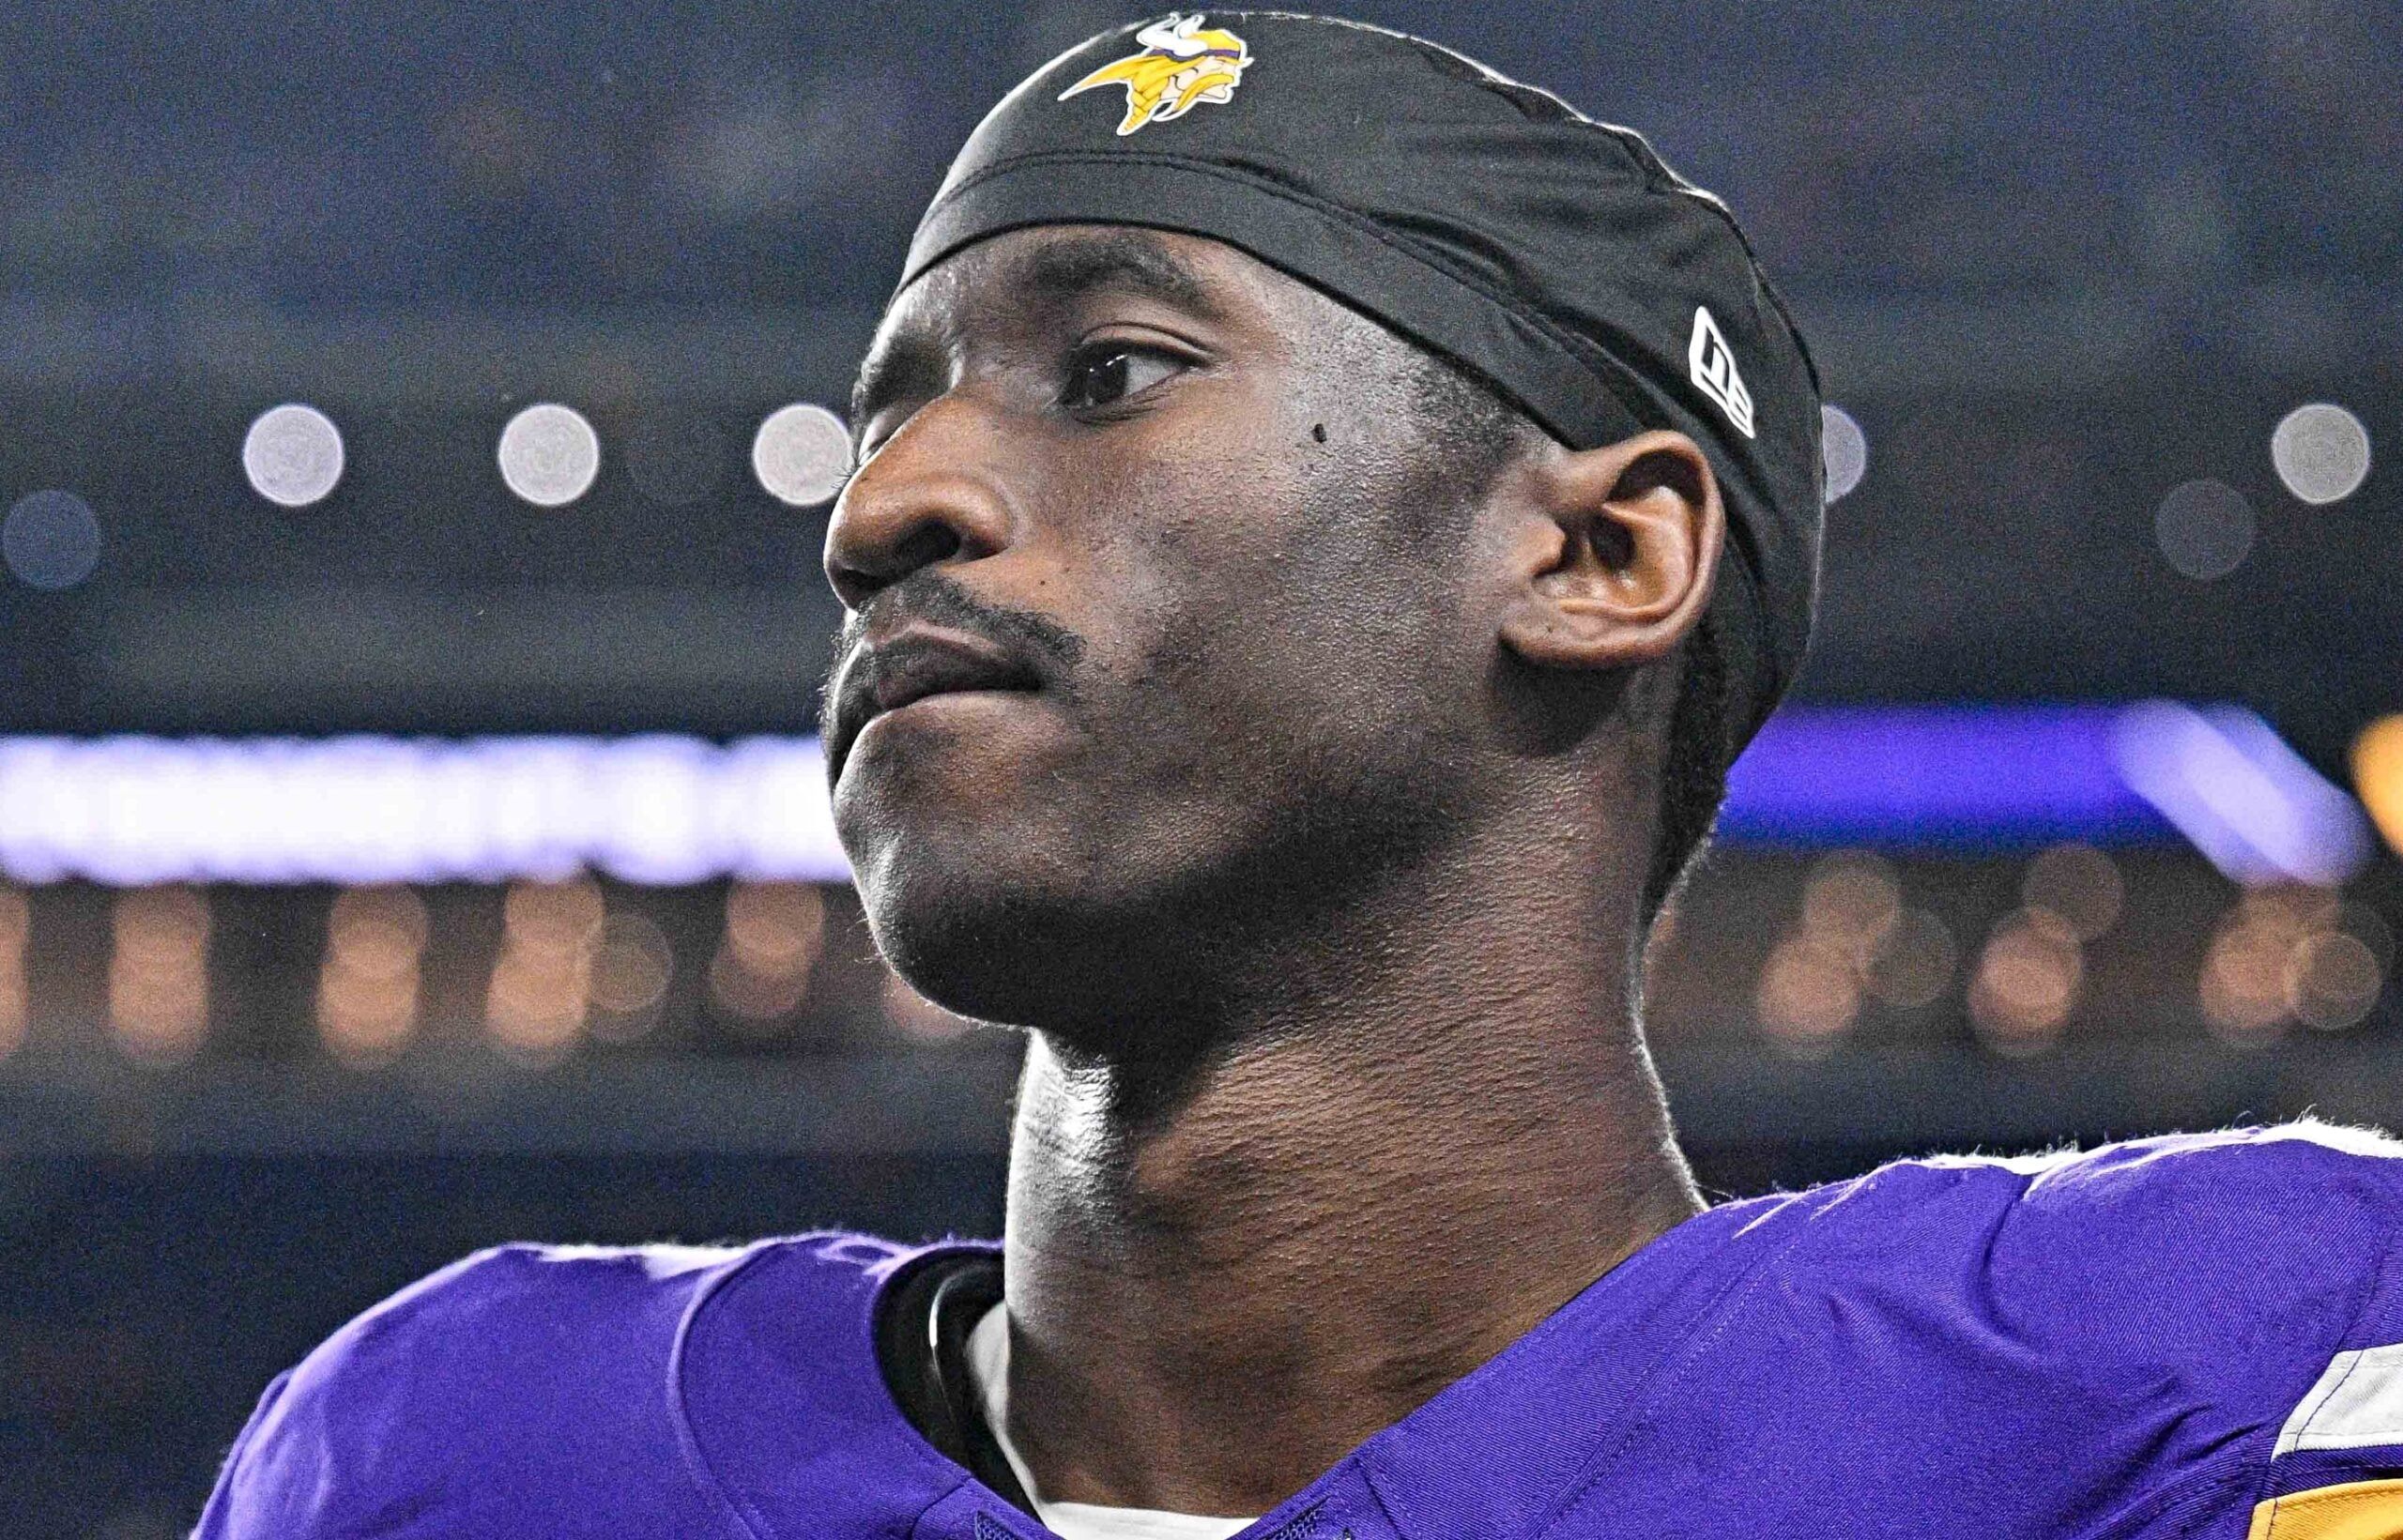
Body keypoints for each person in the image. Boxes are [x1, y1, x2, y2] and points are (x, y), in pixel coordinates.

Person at [196, 14, 2403, 1540]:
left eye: (1112, 370)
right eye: (888, 409)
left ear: (1594, 549)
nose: (883, 506)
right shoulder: (446, 1444)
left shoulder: (2222, 1378)